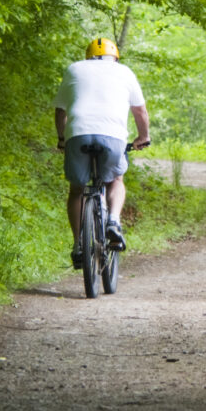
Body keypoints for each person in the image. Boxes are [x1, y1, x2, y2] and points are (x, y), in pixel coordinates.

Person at [53, 37, 150, 269]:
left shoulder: (74, 68)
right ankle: (114, 221)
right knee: (116, 178)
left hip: (78, 133)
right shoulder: (124, 72)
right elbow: (140, 111)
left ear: (88, 56)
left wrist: (61, 138)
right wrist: (143, 137)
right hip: (113, 135)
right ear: (114, 57)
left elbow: (60, 110)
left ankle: (78, 244)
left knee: (77, 190)